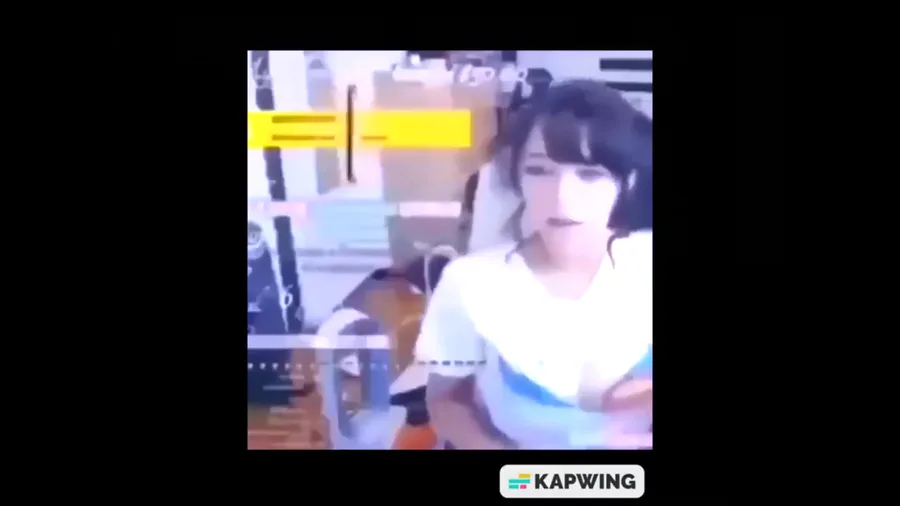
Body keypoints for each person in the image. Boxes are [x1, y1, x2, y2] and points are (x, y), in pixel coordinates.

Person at [415, 79, 653, 449]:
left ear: (628, 182)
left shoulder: (644, 264)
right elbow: (446, 401)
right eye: (539, 171)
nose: (562, 196)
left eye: (589, 174)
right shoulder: (471, 283)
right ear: (517, 179)